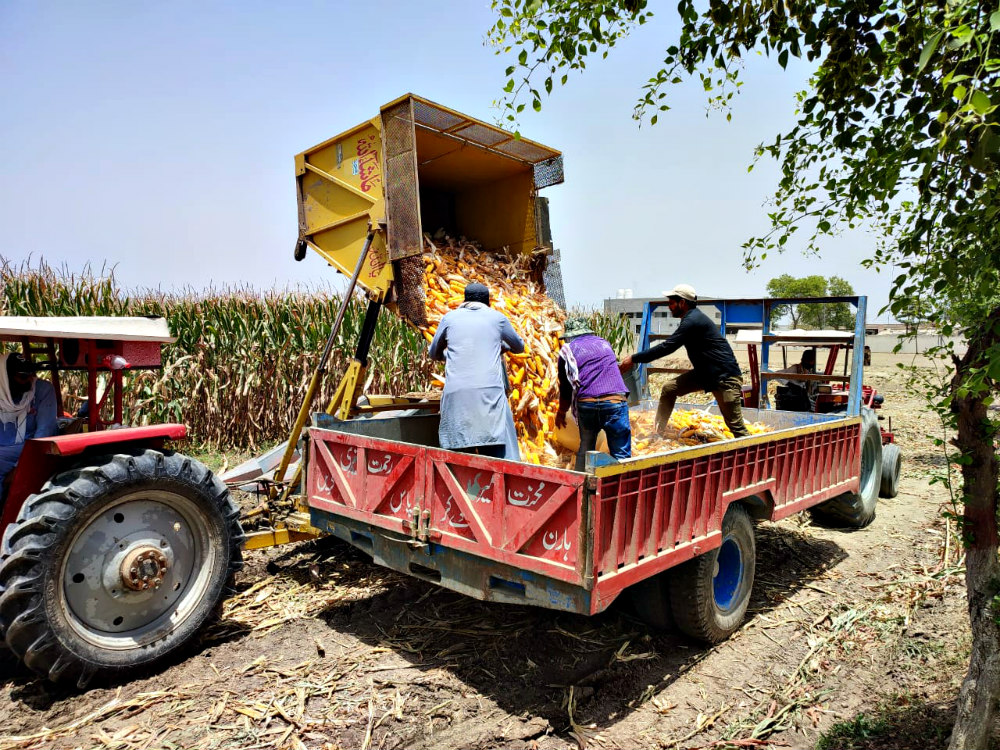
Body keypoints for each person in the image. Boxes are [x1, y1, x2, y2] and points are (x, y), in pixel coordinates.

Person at [619, 284, 749, 438]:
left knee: (737, 428)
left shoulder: (693, 320)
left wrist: (634, 358)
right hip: (705, 374)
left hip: (724, 378)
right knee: (669, 389)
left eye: (671, 303)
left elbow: (668, 347)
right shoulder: (691, 319)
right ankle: (658, 433)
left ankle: (753, 458)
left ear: (682, 303)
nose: (669, 307)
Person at [429, 282, 524, 460]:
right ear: (487, 302)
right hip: (489, 395)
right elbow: (519, 347)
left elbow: (433, 353)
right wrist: (500, 346)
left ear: (465, 300)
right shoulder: (498, 318)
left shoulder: (449, 318)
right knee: (500, 440)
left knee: (457, 449)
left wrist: (450, 355)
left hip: (456, 397)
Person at [556, 317, 632, 471]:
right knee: (621, 454)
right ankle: (620, 489)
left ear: (570, 335)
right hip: (615, 402)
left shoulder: (567, 350)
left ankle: (581, 487)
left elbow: (565, 388)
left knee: (586, 448)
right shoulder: (604, 343)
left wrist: (561, 412)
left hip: (587, 404)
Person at [0, 353, 58, 488]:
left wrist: (20, 466)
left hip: (28, 448)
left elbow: (44, 434)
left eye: (31, 374)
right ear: (5, 377)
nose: (30, 379)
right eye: (23, 376)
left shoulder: (43, 389)